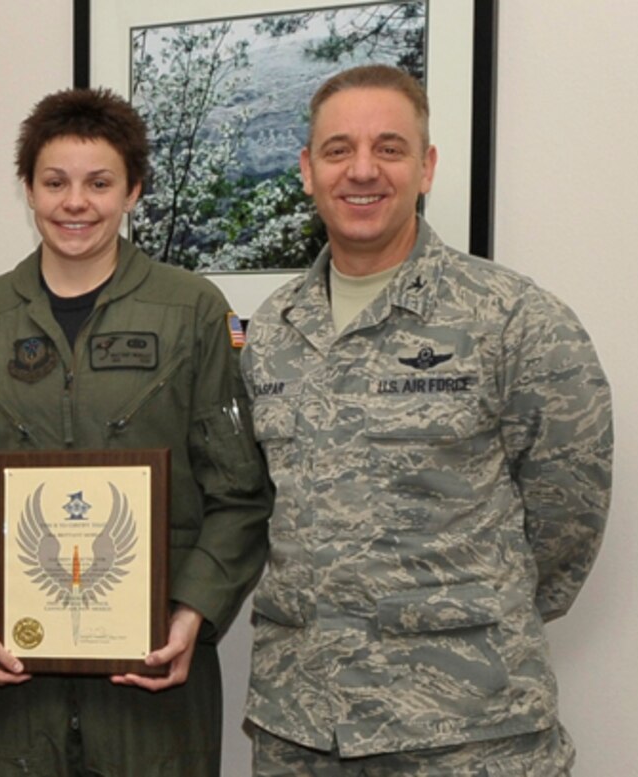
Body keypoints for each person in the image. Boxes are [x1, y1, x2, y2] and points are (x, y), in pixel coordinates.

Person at [241, 64, 613, 775]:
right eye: (338, 149)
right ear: (307, 170)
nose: (362, 170)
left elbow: (568, 514)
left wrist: (462, 620)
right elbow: (271, 505)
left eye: (389, 147)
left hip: (467, 733)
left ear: (426, 165)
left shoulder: (514, 319)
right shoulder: (274, 330)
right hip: (303, 731)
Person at [0, 87, 272, 776]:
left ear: (133, 190)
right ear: (27, 188)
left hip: (156, 683)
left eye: (100, 183)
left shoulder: (191, 313)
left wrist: (192, 616)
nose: (76, 203)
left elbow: (240, 495)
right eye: (55, 182)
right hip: (16, 685)